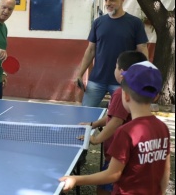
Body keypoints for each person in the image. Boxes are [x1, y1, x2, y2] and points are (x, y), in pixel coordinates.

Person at [60, 61, 170, 194]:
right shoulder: (163, 128)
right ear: (156, 96)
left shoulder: (125, 132)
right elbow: (165, 169)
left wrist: (77, 180)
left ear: (126, 95)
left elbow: (113, 174)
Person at [77, 51, 147, 195]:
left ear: (122, 72)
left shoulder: (120, 93)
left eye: (116, 67)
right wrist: (93, 124)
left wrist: (95, 140)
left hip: (118, 153)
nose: (114, 69)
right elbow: (113, 116)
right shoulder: (134, 92)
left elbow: (116, 122)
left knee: (104, 188)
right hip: (125, 152)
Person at [76, 0, 149, 107]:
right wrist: (79, 74)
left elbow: (142, 50)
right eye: (106, 0)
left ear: (122, 0)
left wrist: (145, 73)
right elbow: (90, 50)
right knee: (86, 114)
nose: (108, 3)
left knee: (120, 118)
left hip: (122, 80)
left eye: (112, 0)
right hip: (97, 80)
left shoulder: (135, 23)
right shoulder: (98, 23)